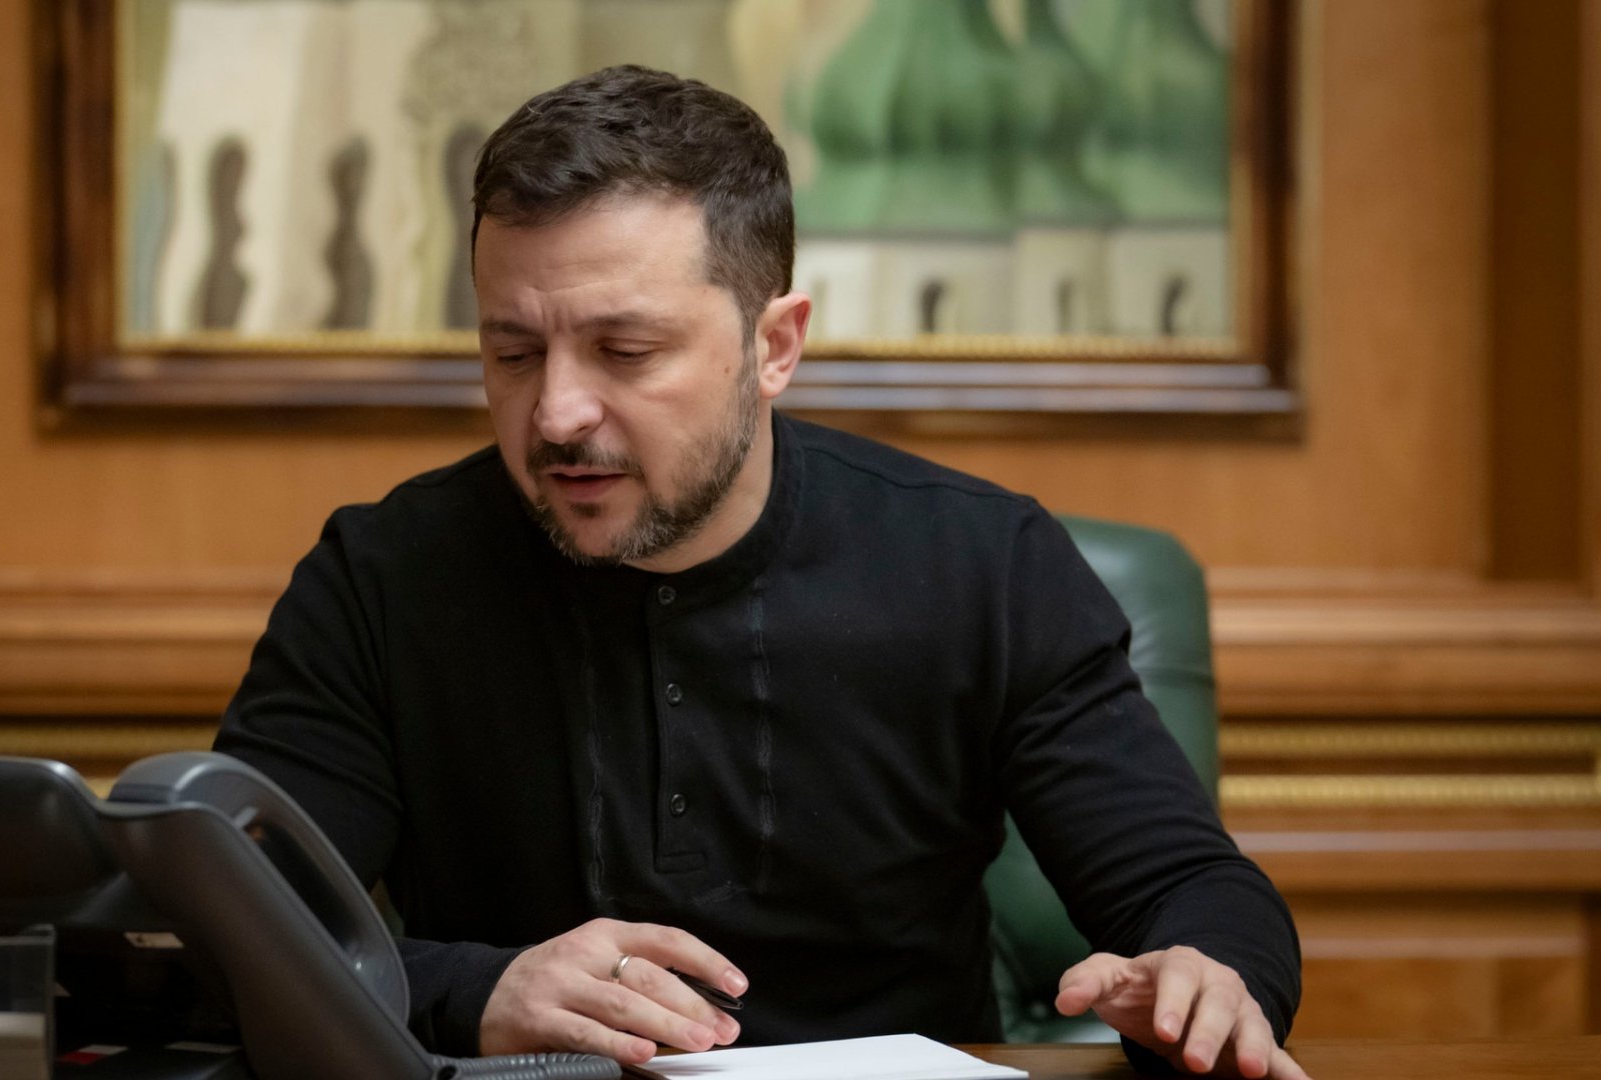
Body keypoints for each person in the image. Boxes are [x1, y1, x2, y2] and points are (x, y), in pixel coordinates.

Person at [215, 65, 1304, 1079]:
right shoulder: (382, 576)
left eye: (626, 352)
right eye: (514, 353)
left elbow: (1194, 889)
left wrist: (1207, 979)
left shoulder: (984, 564)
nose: (556, 413)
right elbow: (227, 940)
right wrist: (474, 991)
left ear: (774, 345)